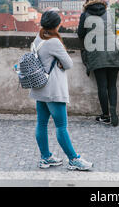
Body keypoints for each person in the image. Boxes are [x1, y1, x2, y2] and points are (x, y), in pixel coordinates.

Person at [30, 10, 93, 170]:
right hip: (53, 90)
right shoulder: (54, 42)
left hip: (40, 87)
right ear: (57, 25)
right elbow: (69, 64)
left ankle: (46, 157)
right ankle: (74, 159)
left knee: (42, 124)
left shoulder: (38, 39)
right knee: (61, 126)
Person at [77, 0, 119, 127]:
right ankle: (113, 110)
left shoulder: (85, 15)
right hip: (114, 49)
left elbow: (80, 34)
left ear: (86, 6)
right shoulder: (109, 13)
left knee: (102, 86)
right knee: (112, 85)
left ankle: (105, 115)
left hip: (97, 52)